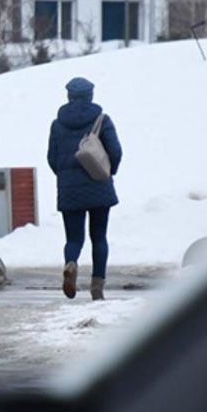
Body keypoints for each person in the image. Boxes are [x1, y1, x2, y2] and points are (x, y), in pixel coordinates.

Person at [47, 76, 122, 300]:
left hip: (69, 190)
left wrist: (66, 178)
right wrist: (108, 171)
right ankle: (97, 287)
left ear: (68, 96)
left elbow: (52, 158)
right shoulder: (102, 120)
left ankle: (71, 264)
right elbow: (116, 152)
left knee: (73, 239)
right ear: (91, 95)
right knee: (99, 238)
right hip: (99, 185)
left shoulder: (57, 124)